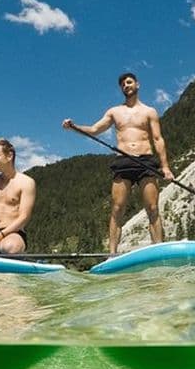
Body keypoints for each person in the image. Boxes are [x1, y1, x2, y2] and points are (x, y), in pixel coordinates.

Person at [63, 72, 174, 254]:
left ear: (137, 85)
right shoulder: (114, 112)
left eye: (129, 82)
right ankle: (111, 254)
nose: (126, 85)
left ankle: (158, 251)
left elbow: (158, 138)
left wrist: (166, 167)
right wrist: (74, 127)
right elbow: (94, 129)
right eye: (123, 84)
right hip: (123, 160)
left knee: (153, 208)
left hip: (146, 160)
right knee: (117, 208)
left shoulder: (149, 111)